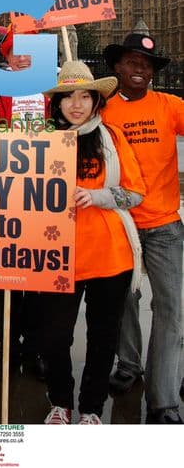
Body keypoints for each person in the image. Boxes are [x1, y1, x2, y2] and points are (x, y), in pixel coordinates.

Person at [40, 60, 145, 424]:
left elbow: (134, 193)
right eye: (69, 96)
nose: (77, 104)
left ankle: (91, 408)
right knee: (53, 338)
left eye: (85, 96)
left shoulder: (111, 139)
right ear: (58, 103)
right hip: (56, 257)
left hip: (110, 257)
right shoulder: (42, 139)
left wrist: (97, 196)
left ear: (96, 101)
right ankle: (60, 403)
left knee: (103, 339)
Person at [102, 32, 184, 424]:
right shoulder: (104, 112)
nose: (141, 70)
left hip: (166, 225)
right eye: (133, 62)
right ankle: (128, 364)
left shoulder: (170, 105)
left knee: (169, 309)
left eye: (147, 65)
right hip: (122, 224)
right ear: (117, 67)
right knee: (124, 303)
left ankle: (164, 398)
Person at [0, 22, 50, 381]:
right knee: (3, 278)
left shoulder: (50, 94)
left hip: (39, 199)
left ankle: (32, 346)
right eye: (16, 51)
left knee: (36, 279)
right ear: (6, 56)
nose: (23, 58)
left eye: (29, 52)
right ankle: (7, 346)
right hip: (4, 197)